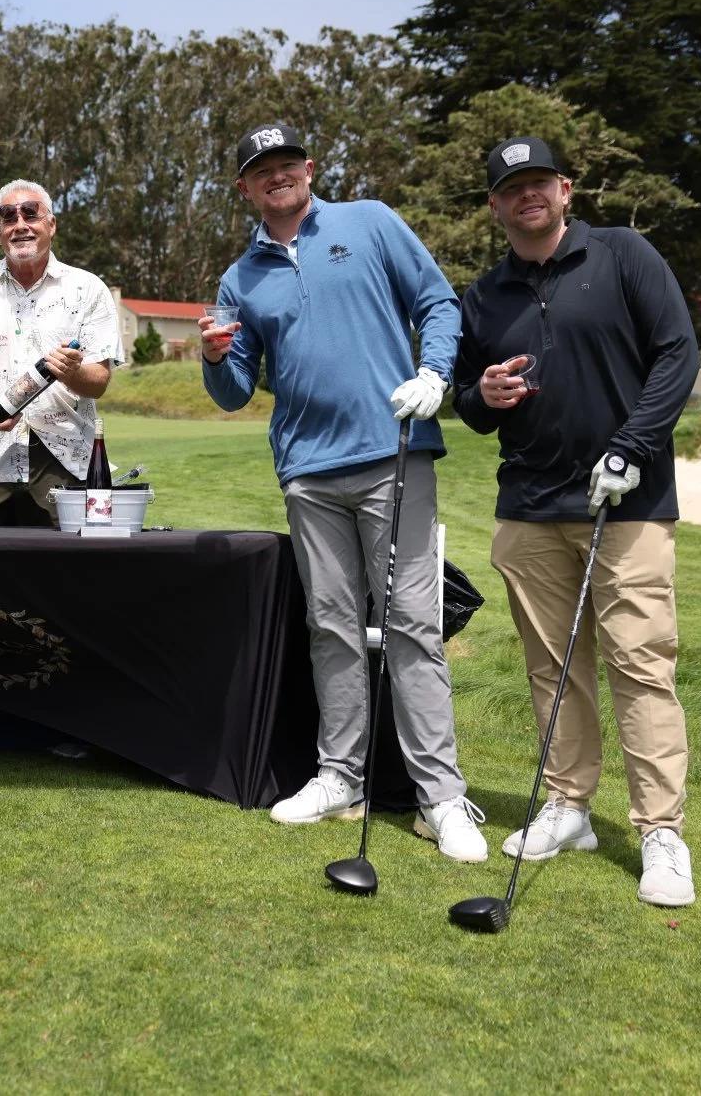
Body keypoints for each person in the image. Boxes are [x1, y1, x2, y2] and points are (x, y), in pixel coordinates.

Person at [199, 124, 487, 863]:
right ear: (245, 189)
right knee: (330, 625)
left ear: (309, 167)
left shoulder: (370, 222)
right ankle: (339, 778)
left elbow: (439, 303)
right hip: (308, 470)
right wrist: (215, 358)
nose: (278, 176)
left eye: (287, 163)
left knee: (412, 624)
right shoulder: (241, 279)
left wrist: (435, 374)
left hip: (394, 453)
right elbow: (234, 391)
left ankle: (441, 797)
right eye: (261, 170)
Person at [451, 135, 700, 908]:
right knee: (553, 670)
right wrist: (483, 396)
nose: (526, 195)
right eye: (510, 187)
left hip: (628, 505)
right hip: (530, 508)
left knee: (640, 664)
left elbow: (677, 355)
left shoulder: (623, 255)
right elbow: (466, 400)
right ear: (495, 205)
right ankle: (567, 806)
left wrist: (631, 447)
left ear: (565, 189)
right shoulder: (484, 295)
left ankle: (661, 831)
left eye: (539, 182)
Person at [0, 180, 121, 527]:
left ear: (51, 224)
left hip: (65, 461)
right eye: (8, 217)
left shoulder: (88, 289)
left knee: (68, 561)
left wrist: (72, 372)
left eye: (31, 213)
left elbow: (98, 381)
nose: (20, 224)